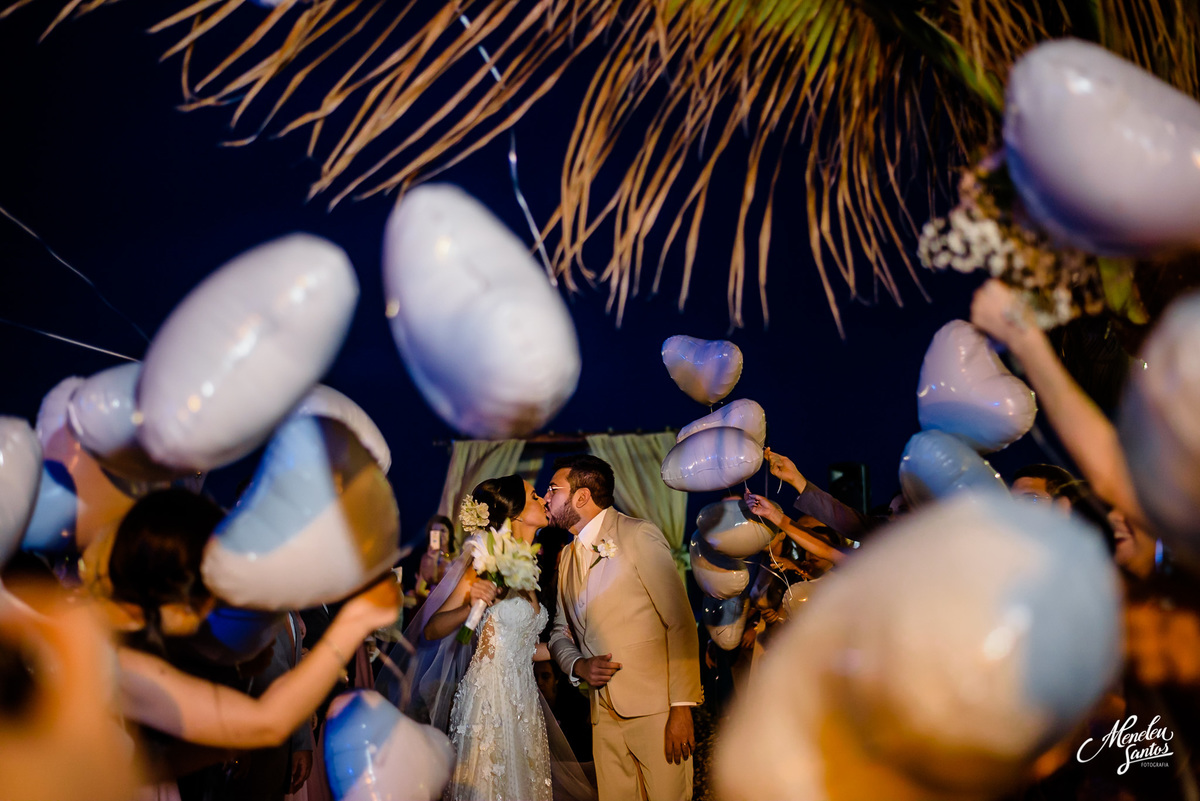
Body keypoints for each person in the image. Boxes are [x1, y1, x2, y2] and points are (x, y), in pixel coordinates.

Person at [97, 489, 401, 771]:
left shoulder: (129, 648)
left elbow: (152, 768)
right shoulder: (109, 655)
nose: (215, 601)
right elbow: (268, 723)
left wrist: (231, 724)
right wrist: (356, 619)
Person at [545, 454, 702, 801]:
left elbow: (679, 621)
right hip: (601, 714)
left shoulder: (637, 535)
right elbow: (559, 631)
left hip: (657, 710)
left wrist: (681, 707)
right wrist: (578, 664)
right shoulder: (567, 557)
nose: (546, 498)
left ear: (581, 497)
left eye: (553, 490)